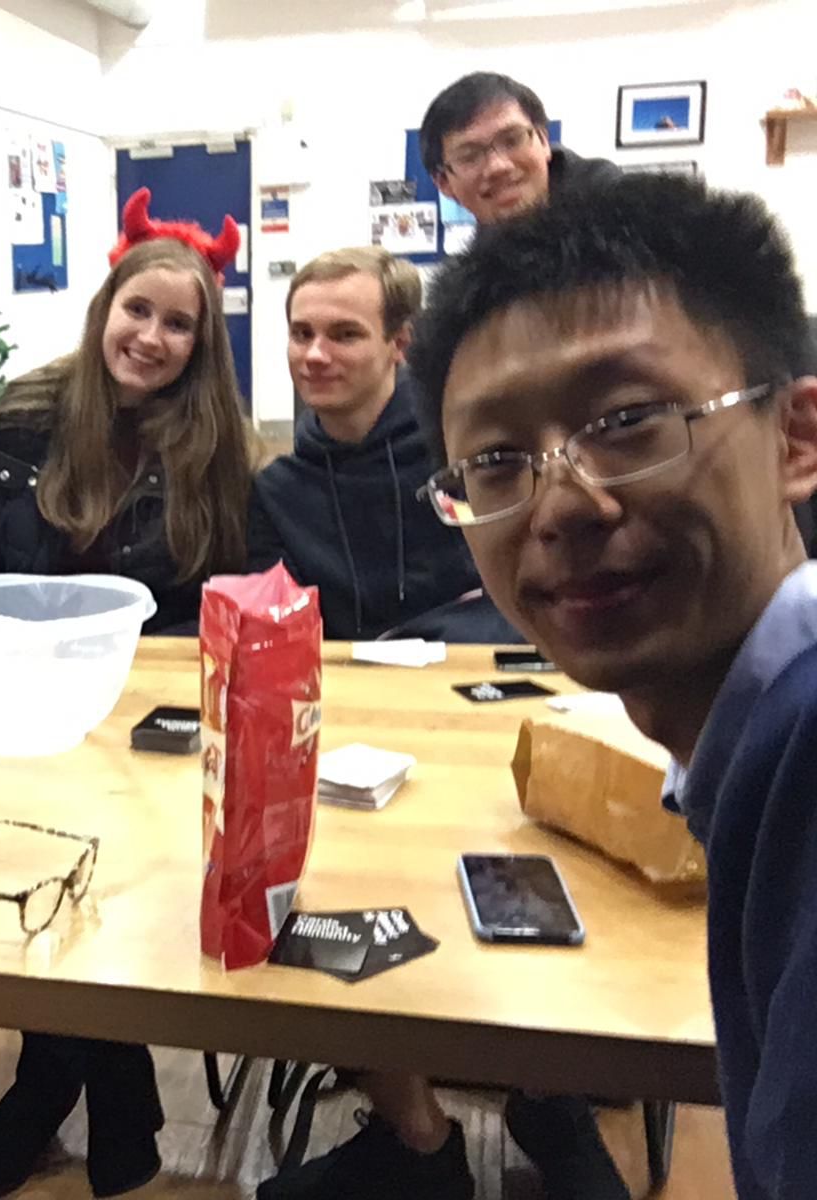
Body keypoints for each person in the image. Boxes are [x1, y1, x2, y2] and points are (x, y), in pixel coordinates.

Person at [405, 172, 817, 1200]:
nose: (561, 506)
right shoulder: (759, 753)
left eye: (628, 419)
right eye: (496, 461)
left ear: (796, 438)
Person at [0, 191, 252, 1197]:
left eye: (177, 323)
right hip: (18, 713)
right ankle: (109, 1078)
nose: (150, 337)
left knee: (118, 879)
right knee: (28, 853)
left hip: (146, 721)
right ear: (104, 307)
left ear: (200, 345)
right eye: (137, 310)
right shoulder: (24, 417)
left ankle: (48, 1081)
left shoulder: (212, 445)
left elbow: (222, 609)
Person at [246, 246, 507, 640]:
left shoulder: (462, 462)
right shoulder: (277, 492)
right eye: (302, 334)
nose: (314, 355)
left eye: (344, 334)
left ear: (400, 344)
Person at [420, 72, 620, 227]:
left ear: (543, 141)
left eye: (512, 140)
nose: (498, 166)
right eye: (470, 157)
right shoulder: (482, 260)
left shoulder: (613, 204)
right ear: (444, 183)